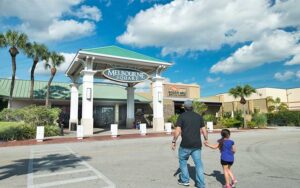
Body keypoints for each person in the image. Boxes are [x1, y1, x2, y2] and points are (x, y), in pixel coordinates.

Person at [172, 100, 208, 188]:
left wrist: (174, 141)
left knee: (183, 162)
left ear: (184, 107)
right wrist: (206, 139)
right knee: (198, 164)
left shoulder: (181, 116)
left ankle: (185, 180)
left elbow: (177, 131)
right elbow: (204, 130)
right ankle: (201, 184)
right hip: (196, 145)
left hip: (185, 145)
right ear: (192, 107)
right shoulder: (199, 116)